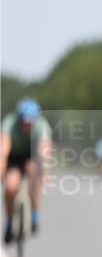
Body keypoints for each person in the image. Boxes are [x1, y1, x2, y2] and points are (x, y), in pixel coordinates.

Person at [1, 98, 53, 243]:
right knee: (11, 187)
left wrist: (46, 173)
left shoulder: (41, 126)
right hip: (14, 157)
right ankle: (9, 222)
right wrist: (2, 168)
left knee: (34, 174)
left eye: (29, 123)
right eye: (23, 122)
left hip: (32, 156)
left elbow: (45, 152)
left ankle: (35, 214)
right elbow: (3, 149)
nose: (26, 126)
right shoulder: (9, 123)